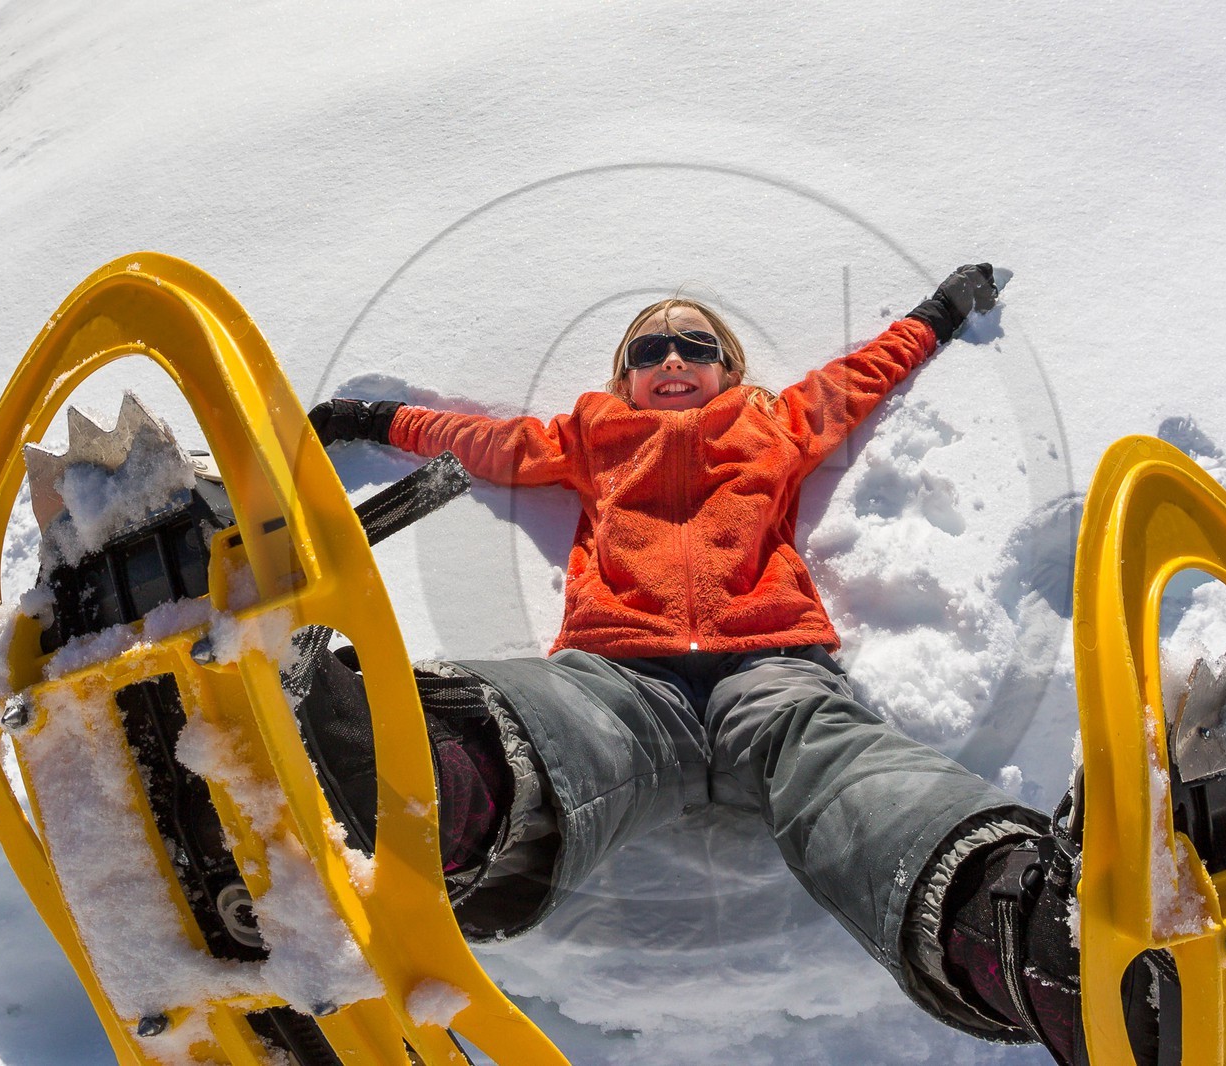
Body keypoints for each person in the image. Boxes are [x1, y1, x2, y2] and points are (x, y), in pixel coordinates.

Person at [308, 266, 1166, 1064]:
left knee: (828, 750)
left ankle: (1015, 922)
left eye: (695, 346)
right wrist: (373, 422)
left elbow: (865, 376)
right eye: (651, 349)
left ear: (728, 368)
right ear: (625, 378)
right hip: (625, 670)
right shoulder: (589, 435)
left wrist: (938, 313)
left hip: (769, 662)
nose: (673, 358)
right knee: (571, 718)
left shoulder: (776, 421)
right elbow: (480, 442)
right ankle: (428, 779)